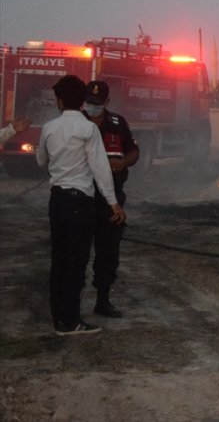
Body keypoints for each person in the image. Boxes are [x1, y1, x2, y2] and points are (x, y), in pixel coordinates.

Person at [36, 75, 125, 336]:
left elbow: (41, 160)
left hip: (57, 200)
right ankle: (71, 320)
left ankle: (59, 318)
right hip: (81, 202)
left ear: (60, 101)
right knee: (76, 263)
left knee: (59, 260)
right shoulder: (89, 130)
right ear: (82, 102)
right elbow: (100, 170)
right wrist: (113, 203)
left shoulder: (49, 128)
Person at [83, 80, 140, 317]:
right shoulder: (77, 123)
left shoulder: (118, 124)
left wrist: (123, 162)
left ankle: (103, 300)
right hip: (83, 197)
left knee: (108, 252)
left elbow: (134, 152)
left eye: (97, 104)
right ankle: (69, 304)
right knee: (76, 251)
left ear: (106, 102)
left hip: (112, 199)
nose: (92, 107)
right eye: (89, 103)